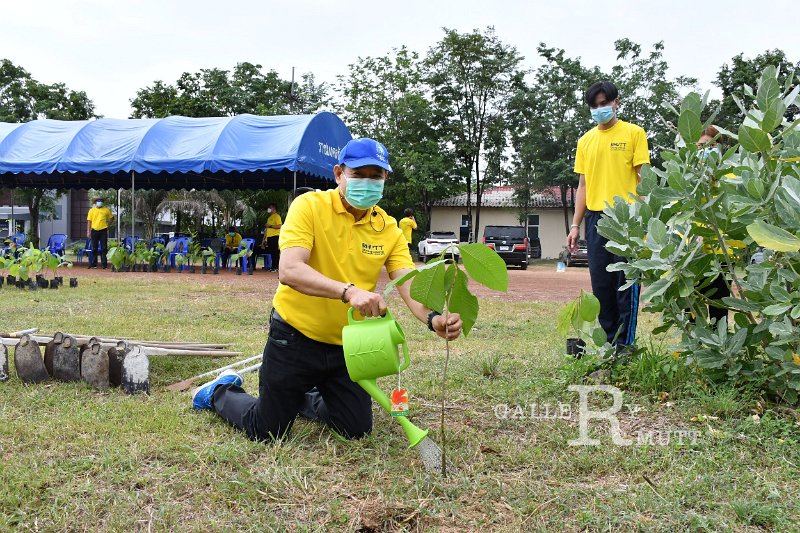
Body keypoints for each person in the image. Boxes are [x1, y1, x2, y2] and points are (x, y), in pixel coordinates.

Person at [192, 138, 463, 443]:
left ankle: (303, 394)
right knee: (266, 431)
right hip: (294, 338)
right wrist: (349, 292)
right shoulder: (309, 207)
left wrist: (434, 319)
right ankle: (219, 392)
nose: (368, 182)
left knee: (355, 429)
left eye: (376, 176)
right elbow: (291, 270)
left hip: (347, 347)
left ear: (386, 179)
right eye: (359, 174)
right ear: (338, 174)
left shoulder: (389, 228)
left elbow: (408, 283)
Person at [567, 81, 650, 349]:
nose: (600, 109)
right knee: (601, 285)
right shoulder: (585, 141)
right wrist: (575, 225)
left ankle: (625, 347)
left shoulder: (634, 133)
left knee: (625, 284)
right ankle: (609, 343)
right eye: (595, 105)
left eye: (604, 103)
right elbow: (583, 185)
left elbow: (643, 181)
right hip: (595, 219)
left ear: (616, 102)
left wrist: (644, 220)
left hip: (626, 218)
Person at [86, 197, 113, 269]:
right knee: (94, 248)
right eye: (98, 201)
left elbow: (111, 217)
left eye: (101, 201)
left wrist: (108, 225)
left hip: (103, 230)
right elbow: (89, 221)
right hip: (94, 230)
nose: (99, 202)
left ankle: (104, 265)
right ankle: (94, 264)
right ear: (95, 202)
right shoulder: (91, 210)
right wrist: (88, 231)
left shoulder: (106, 210)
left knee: (104, 248)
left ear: (103, 202)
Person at [262, 203, 282, 272]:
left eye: (270, 208)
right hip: (269, 237)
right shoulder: (269, 217)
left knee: (275, 252)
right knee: (272, 252)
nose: (268, 209)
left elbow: (280, 226)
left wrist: (270, 226)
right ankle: (273, 267)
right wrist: (264, 239)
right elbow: (267, 229)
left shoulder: (277, 216)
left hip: (275, 236)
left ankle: (276, 267)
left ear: (274, 208)